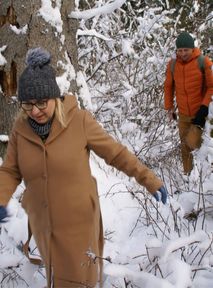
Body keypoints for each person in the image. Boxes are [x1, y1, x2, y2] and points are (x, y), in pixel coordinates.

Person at [0, 47, 167, 288]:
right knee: (56, 278)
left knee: (78, 281)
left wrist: (149, 179)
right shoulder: (20, 129)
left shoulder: (79, 121)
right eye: (27, 105)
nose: (34, 111)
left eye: (41, 103)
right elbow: (10, 170)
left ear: (54, 98)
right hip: (43, 223)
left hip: (78, 222)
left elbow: (116, 154)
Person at [164, 31, 213, 175]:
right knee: (185, 148)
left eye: (186, 50)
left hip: (201, 114)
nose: (183, 53)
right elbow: (168, 86)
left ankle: (203, 182)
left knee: (196, 145)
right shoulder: (173, 64)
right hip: (184, 115)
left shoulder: (204, 62)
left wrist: (204, 108)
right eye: (180, 50)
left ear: (193, 49)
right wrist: (169, 108)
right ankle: (188, 179)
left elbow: (212, 87)